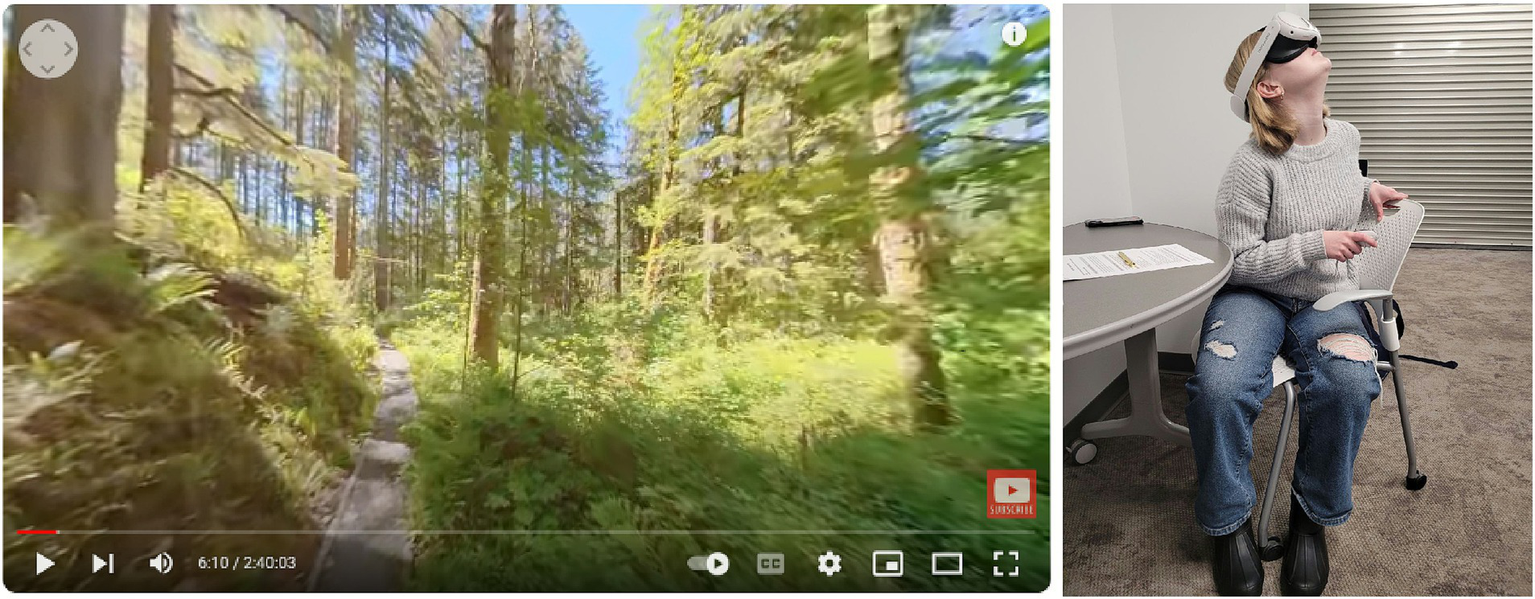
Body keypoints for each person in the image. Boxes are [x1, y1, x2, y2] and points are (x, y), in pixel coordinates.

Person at [1186, 14, 1409, 596]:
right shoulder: (1251, 166)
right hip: (1254, 296)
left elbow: (1333, 193)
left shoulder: (1348, 138)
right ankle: (1228, 521)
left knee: (1350, 380)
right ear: (1269, 85)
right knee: (1218, 386)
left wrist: (1367, 193)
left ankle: (1313, 518)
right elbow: (1236, 262)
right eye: (1294, 48)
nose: (1313, 45)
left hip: (1328, 296)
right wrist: (1313, 245)